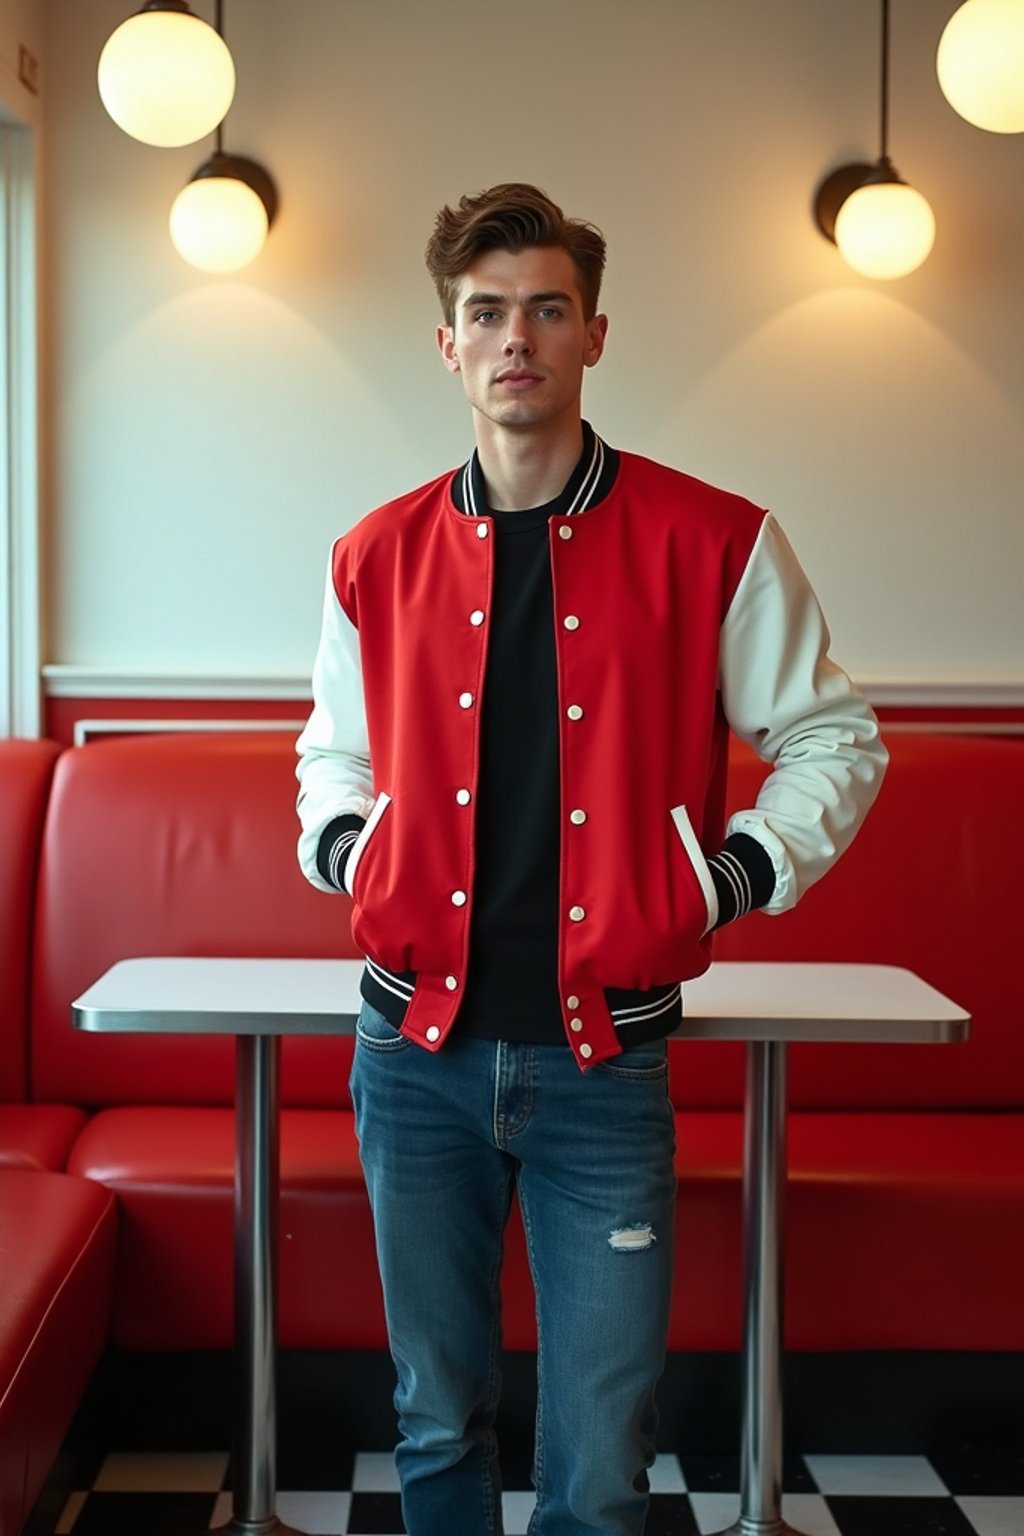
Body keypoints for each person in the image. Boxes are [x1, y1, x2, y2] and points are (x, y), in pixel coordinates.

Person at [296, 182, 888, 1536]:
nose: (519, 338)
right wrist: (352, 851)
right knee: (435, 1422)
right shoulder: (368, 557)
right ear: (448, 343)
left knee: (603, 1460)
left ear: (595, 335)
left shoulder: (713, 538)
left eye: (547, 310)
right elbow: (330, 759)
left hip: (603, 1072)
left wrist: (725, 880)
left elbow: (835, 739)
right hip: (411, 1061)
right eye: (488, 312)